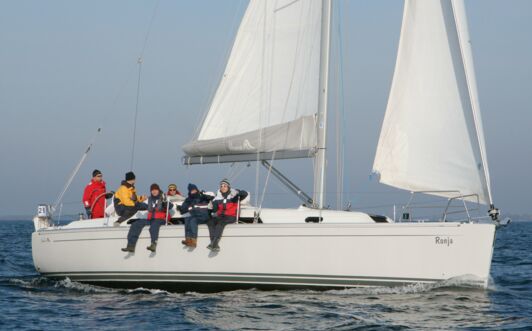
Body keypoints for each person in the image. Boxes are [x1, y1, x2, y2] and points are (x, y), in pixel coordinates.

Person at [121, 183, 172, 253]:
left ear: (158, 190)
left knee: (154, 226)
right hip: (150, 219)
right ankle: (131, 246)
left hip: (160, 219)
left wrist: (165, 202)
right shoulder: (150, 199)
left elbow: (170, 206)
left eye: (156, 190)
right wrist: (135, 201)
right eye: (152, 190)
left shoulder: (163, 197)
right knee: (136, 224)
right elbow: (142, 206)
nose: (154, 191)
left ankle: (153, 244)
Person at [207, 179, 248, 251]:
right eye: (221, 186)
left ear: (228, 187)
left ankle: (215, 242)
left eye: (225, 186)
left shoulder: (234, 196)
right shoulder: (217, 198)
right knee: (210, 222)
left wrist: (239, 192)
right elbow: (214, 210)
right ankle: (213, 242)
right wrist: (211, 205)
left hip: (231, 216)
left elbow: (245, 194)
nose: (223, 187)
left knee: (221, 222)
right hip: (220, 216)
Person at [179, 183, 214, 248]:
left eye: (194, 190)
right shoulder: (188, 199)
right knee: (187, 219)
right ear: (189, 191)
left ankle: (193, 241)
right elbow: (183, 209)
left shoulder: (202, 196)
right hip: (195, 216)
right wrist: (180, 208)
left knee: (192, 220)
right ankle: (188, 239)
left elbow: (212, 197)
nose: (193, 192)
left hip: (204, 216)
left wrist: (205, 195)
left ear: (197, 189)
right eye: (192, 190)